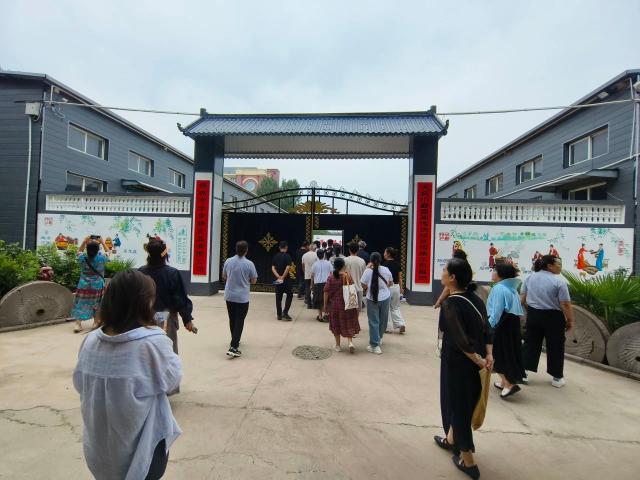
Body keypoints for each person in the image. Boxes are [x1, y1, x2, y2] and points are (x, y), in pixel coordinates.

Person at [73, 270, 182, 480]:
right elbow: (172, 380)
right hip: (144, 449)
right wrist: (159, 332)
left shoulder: (90, 341)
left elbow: (80, 384)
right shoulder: (152, 342)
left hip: (100, 448)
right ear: (144, 302)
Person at [434, 257, 493, 480]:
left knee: (459, 408)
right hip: (476, 361)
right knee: (462, 403)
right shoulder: (476, 299)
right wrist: (488, 355)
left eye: (444, 270)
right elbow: (487, 329)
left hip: (458, 363)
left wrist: (478, 360)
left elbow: (460, 340)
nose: (441, 273)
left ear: (452, 278)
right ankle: (451, 439)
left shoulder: (451, 304)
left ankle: (469, 462)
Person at [521, 255, 575, 388]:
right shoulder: (559, 282)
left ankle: (523, 373)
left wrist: (525, 311)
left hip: (533, 314)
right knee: (555, 346)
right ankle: (557, 377)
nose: (560, 267)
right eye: (558, 264)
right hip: (553, 317)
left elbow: (522, 298)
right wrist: (570, 320)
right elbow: (565, 304)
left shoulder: (529, 278)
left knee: (530, 343)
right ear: (550, 266)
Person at [139, 238, 197, 359]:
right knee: (168, 353)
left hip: (144, 318)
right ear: (165, 255)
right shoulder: (172, 273)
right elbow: (180, 298)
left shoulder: (140, 273)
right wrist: (187, 319)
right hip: (166, 319)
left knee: (145, 353)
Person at [487, 263, 525, 398]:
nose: (492, 272)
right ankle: (504, 382)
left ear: (500, 274)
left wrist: (488, 327)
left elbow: (496, 311)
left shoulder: (498, 288)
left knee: (497, 353)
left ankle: (509, 383)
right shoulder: (512, 288)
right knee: (509, 352)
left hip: (501, 324)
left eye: (494, 270)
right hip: (511, 324)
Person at [222, 240, 258, 357]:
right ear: (246, 250)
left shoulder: (228, 261)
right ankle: (234, 346)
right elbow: (254, 280)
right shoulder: (249, 264)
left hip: (229, 295)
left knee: (232, 318)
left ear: (236, 249)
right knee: (239, 320)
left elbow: (224, 276)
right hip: (242, 297)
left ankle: (234, 339)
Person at [72, 236, 109, 333]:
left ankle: (77, 324)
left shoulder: (83, 258)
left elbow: (79, 252)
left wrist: (84, 241)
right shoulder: (101, 258)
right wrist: (102, 242)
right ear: (98, 249)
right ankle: (95, 322)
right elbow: (108, 252)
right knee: (97, 303)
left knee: (81, 302)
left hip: (83, 285)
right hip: (97, 286)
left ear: (87, 249)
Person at [323, 257, 360, 353]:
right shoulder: (347, 276)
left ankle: (338, 346)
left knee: (336, 325)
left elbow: (326, 291)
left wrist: (325, 305)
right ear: (344, 266)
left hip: (335, 305)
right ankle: (350, 342)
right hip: (348, 304)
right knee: (348, 322)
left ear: (334, 266)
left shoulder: (331, 277)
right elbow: (352, 290)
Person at [360, 252, 393, 354]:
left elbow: (363, 285)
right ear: (380, 260)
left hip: (371, 298)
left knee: (374, 321)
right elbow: (390, 283)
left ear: (371, 261)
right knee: (383, 320)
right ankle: (379, 338)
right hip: (385, 298)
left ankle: (375, 345)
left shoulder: (367, 271)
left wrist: (368, 287)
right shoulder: (386, 270)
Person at [383, 247, 406, 334]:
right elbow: (400, 278)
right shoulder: (397, 264)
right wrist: (401, 288)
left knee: (386, 308)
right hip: (396, 287)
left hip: (387, 287)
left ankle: (387, 328)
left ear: (388, 254)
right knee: (395, 307)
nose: (384, 254)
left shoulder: (384, 265)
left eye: (385, 252)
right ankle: (401, 324)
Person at [272, 241, 293, 321]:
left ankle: (279, 315)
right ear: (286, 247)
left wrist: (278, 276)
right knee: (290, 295)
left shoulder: (275, 256)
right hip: (286, 279)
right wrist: (283, 277)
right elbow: (288, 268)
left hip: (278, 280)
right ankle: (285, 312)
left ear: (279, 247)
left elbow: (273, 268)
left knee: (278, 297)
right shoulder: (288, 256)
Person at [345, 243, 367, 311]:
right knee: (357, 311)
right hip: (359, 288)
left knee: (348, 310)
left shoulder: (345, 260)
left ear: (349, 250)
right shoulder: (362, 261)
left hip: (348, 288)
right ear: (358, 250)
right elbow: (364, 275)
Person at [311, 249, 332, 322]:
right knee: (327, 300)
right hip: (327, 283)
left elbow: (312, 275)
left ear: (317, 255)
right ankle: (326, 314)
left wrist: (311, 284)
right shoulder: (328, 263)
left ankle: (320, 316)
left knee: (319, 300)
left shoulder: (315, 264)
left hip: (318, 284)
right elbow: (331, 273)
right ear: (324, 255)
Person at [302, 243, 318, 309]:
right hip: (315, 275)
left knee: (307, 289)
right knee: (315, 289)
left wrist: (305, 272)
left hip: (307, 274)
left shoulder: (304, 255)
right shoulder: (316, 255)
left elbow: (303, 265)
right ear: (315, 248)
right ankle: (314, 303)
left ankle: (309, 304)